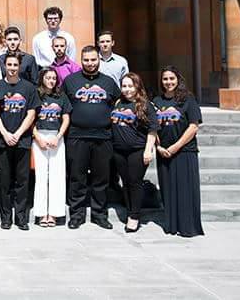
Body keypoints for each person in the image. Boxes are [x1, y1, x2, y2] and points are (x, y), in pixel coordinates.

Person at [63, 46, 121, 230]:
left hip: (103, 138)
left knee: (101, 179)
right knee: (76, 178)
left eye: (93, 60)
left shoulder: (109, 82)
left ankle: (99, 215)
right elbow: (63, 106)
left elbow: (118, 103)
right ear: (81, 60)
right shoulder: (70, 81)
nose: (90, 63)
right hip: (76, 136)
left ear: (98, 60)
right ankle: (77, 215)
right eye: (86, 60)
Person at [153, 66, 204, 237]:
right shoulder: (157, 101)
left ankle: (188, 227)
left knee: (185, 190)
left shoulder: (188, 99)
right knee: (168, 190)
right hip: (164, 153)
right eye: (165, 79)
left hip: (184, 152)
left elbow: (193, 126)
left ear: (178, 80)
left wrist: (176, 146)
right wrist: (159, 146)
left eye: (171, 79)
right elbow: (154, 127)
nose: (168, 82)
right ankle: (171, 225)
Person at [0, 53, 40, 230]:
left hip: (23, 141)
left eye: (15, 65)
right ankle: (6, 218)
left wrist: (19, 133)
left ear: (19, 67)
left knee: (22, 181)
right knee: (5, 181)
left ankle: (21, 217)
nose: (12, 67)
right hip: (3, 140)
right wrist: (5, 133)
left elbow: (31, 113)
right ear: (4, 66)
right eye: (9, 64)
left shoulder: (29, 88)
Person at [110, 72, 157, 233]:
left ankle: (134, 216)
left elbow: (152, 130)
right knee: (125, 182)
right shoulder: (118, 102)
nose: (127, 89)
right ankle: (130, 210)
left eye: (131, 86)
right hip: (119, 151)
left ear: (137, 86)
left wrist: (148, 150)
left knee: (135, 183)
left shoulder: (145, 105)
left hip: (137, 150)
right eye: (124, 86)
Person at [32, 67, 71, 227]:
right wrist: (38, 137)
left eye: (54, 78)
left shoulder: (61, 96)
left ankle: (54, 213)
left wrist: (58, 136)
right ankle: (41, 214)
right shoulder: (35, 95)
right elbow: (30, 118)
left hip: (56, 137)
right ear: (42, 78)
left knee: (57, 176)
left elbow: (66, 118)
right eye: (48, 77)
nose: (51, 81)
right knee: (41, 177)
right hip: (39, 136)